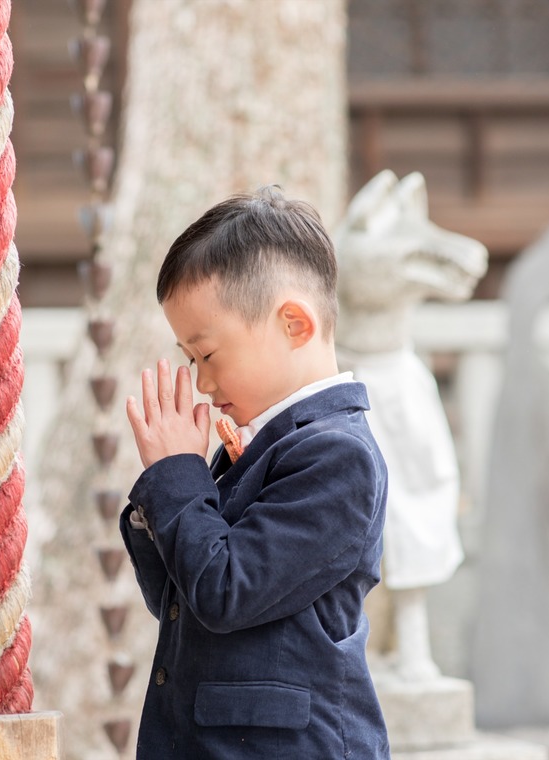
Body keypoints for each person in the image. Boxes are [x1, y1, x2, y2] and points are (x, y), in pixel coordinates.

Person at [119, 186, 391, 758]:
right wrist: (161, 498)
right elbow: (179, 598)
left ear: (294, 324)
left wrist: (176, 474)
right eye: (189, 359)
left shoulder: (339, 458)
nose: (201, 381)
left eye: (208, 355)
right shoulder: (254, 443)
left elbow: (224, 591)